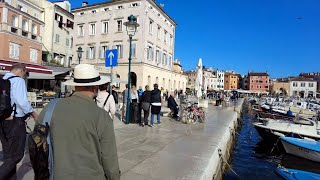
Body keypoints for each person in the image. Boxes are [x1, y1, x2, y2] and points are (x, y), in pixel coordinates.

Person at [37, 64, 120, 180]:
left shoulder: (50, 108)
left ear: (75, 86)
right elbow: (110, 161)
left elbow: (37, 143)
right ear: (95, 87)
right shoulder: (102, 116)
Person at [0, 63, 39, 180]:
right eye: (25, 73)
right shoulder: (18, 81)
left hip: (2, 121)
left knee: (8, 156)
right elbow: (21, 101)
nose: (24, 76)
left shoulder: (3, 80)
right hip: (15, 121)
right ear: (22, 71)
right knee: (17, 155)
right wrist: (33, 113)